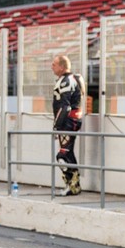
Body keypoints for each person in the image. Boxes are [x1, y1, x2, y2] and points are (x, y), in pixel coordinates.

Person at [51, 55, 84, 196]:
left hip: (68, 122)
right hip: (73, 120)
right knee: (68, 153)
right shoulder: (75, 78)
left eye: (54, 64)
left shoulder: (66, 81)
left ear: (62, 67)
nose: (52, 66)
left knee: (62, 156)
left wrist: (56, 126)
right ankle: (74, 186)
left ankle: (72, 185)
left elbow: (66, 107)